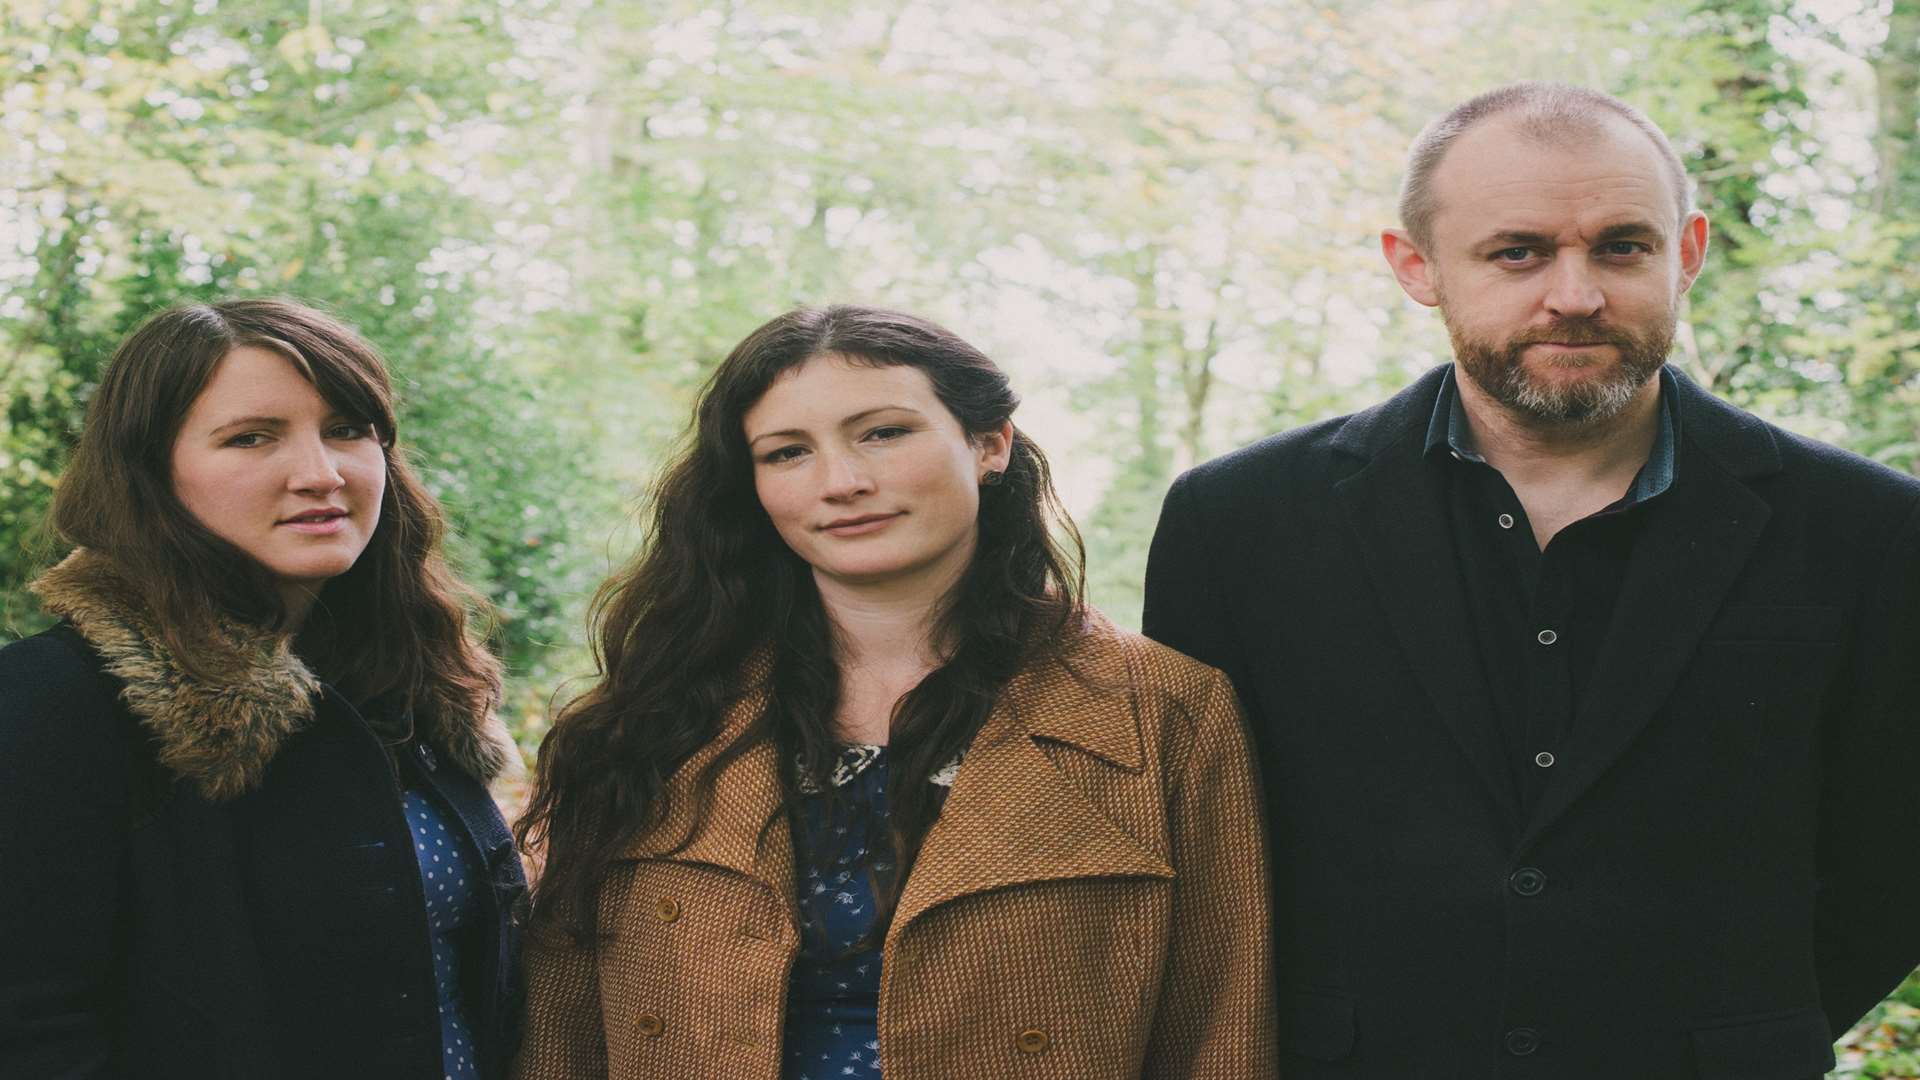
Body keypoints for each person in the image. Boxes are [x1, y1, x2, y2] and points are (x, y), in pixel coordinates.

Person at [1144, 81, 1920, 1076]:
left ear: (1687, 253)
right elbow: (1197, 850)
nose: (1575, 293)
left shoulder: (1871, 528)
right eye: (1518, 252)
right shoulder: (1237, 521)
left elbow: (1894, 857)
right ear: (1415, 267)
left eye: (1621, 247)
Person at [512, 305, 1275, 1079]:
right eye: (786, 453)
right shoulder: (654, 717)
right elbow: (560, 1032)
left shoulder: (1166, 709)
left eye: (883, 433)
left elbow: (1222, 1027)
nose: (842, 482)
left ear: (990, 444)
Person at [0, 299, 528, 1080]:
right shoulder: (53, 701)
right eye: (251, 437)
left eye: (348, 429)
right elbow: (29, 1030)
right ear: (149, 471)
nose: (321, 473)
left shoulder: (405, 687)